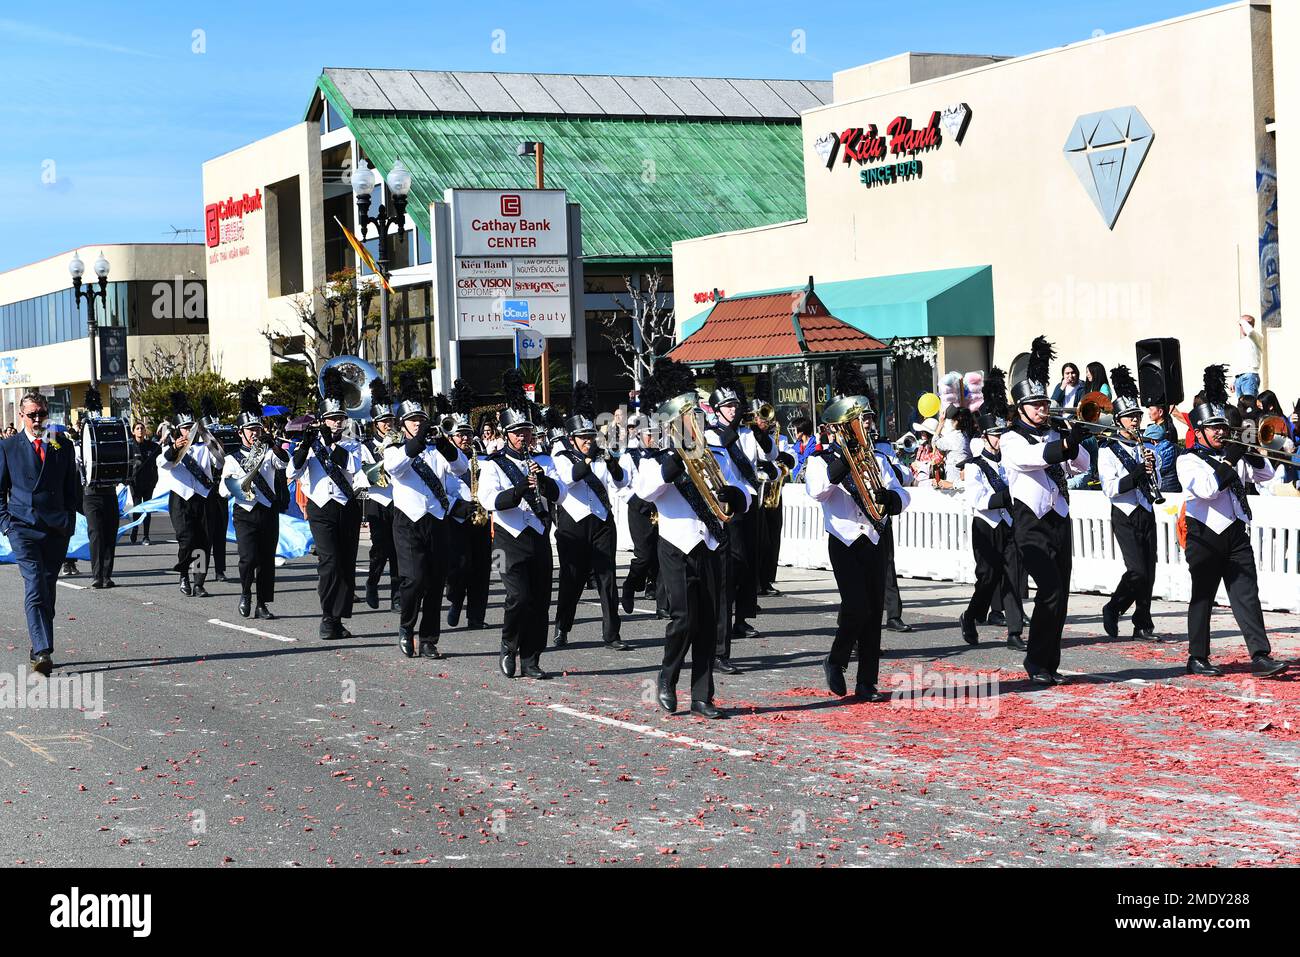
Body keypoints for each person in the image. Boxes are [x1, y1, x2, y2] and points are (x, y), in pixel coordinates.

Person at [633, 359, 748, 719]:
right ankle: (666, 678)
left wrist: (734, 495)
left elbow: (744, 489)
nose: (691, 420)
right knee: (683, 619)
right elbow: (645, 491)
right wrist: (673, 464)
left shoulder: (713, 449)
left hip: (712, 542)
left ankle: (703, 696)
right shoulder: (656, 456)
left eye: (693, 414)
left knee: (712, 621)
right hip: (677, 545)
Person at [806, 359, 910, 702]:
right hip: (845, 540)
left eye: (868, 418)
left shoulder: (879, 455)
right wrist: (844, 459)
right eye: (861, 419)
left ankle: (868, 681)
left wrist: (892, 499)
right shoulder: (822, 459)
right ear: (844, 425)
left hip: (877, 536)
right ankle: (835, 659)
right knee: (856, 607)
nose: (868, 423)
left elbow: (902, 489)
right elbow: (817, 490)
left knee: (874, 609)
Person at [1177, 364, 1287, 678]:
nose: (1221, 432)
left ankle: (1260, 655)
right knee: (1203, 597)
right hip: (1205, 535)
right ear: (1199, 432)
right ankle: (1197, 657)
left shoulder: (1231, 452)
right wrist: (1231, 458)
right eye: (1214, 428)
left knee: (1246, 594)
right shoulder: (1187, 460)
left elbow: (1265, 475)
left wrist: (1251, 453)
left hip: (1236, 532)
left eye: (1222, 427)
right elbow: (1209, 490)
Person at [1002, 336, 1091, 685]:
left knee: (1061, 595)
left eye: (1045, 403)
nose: (1043, 409)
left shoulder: (1054, 432)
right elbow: (1033, 460)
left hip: (1060, 521)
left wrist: (1076, 437)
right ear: (1021, 408)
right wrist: (1065, 443)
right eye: (1036, 404)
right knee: (1050, 590)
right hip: (1030, 524)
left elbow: (1081, 464)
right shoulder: (1012, 439)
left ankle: (1049, 663)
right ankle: (1035, 662)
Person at [477, 369, 564, 680]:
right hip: (508, 538)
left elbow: (561, 494)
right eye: (516, 432)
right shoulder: (493, 464)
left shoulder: (545, 461)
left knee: (540, 601)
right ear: (506, 434)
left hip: (539, 534)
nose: (523, 437)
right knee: (519, 597)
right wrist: (520, 490)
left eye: (527, 431)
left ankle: (531, 658)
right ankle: (508, 644)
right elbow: (488, 499)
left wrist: (543, 480)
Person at [384, 377, 470, 659]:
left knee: (435, 581)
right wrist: (417, 443)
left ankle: (429, 639)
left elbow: (461, 468)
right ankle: (406, 627)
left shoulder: (436, 451)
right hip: (408, 521)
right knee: (414, 579)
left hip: (437, 521)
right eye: (412, 419)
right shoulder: (394, 449)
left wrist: (445, 446)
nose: (418, 423)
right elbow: (395, 469)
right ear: (402, 424)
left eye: (421, 418)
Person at [0, 392, 80, 676]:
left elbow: (73, 486)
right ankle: (43, 650)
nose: (37, 420)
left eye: (42, 414)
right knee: (34, 582)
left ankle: (39, 645)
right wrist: (6, 524)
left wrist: (70, 520)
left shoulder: (61, 445)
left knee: (47, 587)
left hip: (56, 529)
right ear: (21, 415)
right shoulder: (8, 447)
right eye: (32, 414)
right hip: (23, 527)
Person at [287, 368, 368, 641]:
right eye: (332, 419)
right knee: (329, 562)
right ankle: (327, 617)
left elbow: (352, 467)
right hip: (321, 508)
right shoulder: (310, 444)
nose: (336, 423)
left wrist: (329, 445)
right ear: (322, 419)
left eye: (340, 418)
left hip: (347, 507)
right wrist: (304, 446)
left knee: (346, 564)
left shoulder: (352, 444)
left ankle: (337, 618)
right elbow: (292, 472)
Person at [552, 381, 633, 651]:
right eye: (583, 438)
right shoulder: (561, 454)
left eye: (590, 437)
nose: (588, 442)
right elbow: (569, 479)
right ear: (572, 438)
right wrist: (589, 459)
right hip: (572, 523)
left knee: (607, 577)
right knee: (572, 579)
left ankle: (612, 633)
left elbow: (621, 483)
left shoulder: (601, 456)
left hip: (601, 522)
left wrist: (611, 461)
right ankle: (562, 627)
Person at [705, 360, 768, 672]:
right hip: (719, 514)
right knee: (723, 579)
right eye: (727, 406)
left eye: (735, 405)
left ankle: (738, 621)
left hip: (746, 505)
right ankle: (717, 649)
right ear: (716, 409)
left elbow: (761, 459)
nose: (733, 410)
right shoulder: (708, 437)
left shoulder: (745, 433)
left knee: (743, 568)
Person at [958, 368, 1023, 648]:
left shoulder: (1009, 461)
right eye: (995, 434)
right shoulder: (974, 466)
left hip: (1008, 524)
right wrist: (1006, 496)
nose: (1000, 439)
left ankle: (1015, 632)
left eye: (1002, 433)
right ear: (984, 436)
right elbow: (977, 500)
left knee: (1013, 575)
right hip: (986, 526)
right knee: (987, 578)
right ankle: (971, 615)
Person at [1098, 365, 1164, 642]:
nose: (1136, 420)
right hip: (1124, 512)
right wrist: (1138, 472)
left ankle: (1142, 623)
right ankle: (1113, 607)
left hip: (1145, 508)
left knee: (1149, 570)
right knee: (1136, 570)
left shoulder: (1144, 445)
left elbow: (1156, 482)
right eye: (1130, 417)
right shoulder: (1107, 450)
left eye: (1137, 415)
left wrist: (1152, 467)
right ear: (1119, 421)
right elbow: (1111, 488)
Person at [222, 386, 288, 620]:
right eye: (250, 429)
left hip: (268, 511)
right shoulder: (231, 459)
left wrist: (275, 445)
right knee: (248, 558)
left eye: (257, 428)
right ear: (240, 432)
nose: (254, 433)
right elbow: (223, 489)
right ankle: (245, 592)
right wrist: (240, 487)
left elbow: (283, 464)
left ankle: (262, 603)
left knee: (266, 559)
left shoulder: (269, 452)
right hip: (245, 513)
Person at [155, 392, 216, 597]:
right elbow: (164, 463)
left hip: (203, 497)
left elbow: (219, 462)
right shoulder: (169, 447)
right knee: (187, 539)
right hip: (180, 499)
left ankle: (199, 582)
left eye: (191, 427)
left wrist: (214, 440)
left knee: (203, 542)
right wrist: (174, 447)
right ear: (177, 429)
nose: (188, 431)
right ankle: (183, 575)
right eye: (184, 427)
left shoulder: (205, 446)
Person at [445, 380, 492, 632]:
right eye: (460, 434)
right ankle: (455, 600)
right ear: (451, 436)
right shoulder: (442, 458)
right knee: (459, 567)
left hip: (480, 517)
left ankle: (475, 616)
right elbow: (438, 490)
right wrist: (457, 507)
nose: (465, 438)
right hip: (456, 517)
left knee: (481, 569)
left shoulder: (482, 456)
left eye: (468, 434)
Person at [619, 412, 668, 619]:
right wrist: (638, 502)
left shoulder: (664, 454)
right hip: (639, 510)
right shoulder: (628, 456)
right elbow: (620, 486)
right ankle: (631, 584)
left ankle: (662, 604)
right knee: (644, 555)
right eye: (649, 434)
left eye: (656, 434)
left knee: (663, 555)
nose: (653, 439)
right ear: (639, 435)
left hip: (661, 509)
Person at [361, 379, 400, 613]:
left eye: (390, 420)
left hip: (398, 500)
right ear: (375, 424)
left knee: (398, 550)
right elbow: (366, 473)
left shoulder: (399, 443)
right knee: (380, 550)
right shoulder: (365, 446)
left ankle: (397, 595)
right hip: (377, 501)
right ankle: (372, 582)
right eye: (384, 421)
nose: (388, 425)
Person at [749, 399, 795, 597]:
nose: (763, 420)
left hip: (774, 492)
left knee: (773, 538)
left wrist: (785, 459)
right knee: (759, 540)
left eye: (764, 416)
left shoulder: (780, 437)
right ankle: (755, 582)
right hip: (757, 491)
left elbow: (790, 460)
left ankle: (767, 579)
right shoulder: (748, 437)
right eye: (759, 415)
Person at [873, 422, 914, 633]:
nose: (866, 423)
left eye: (868, 418)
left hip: (881, 518)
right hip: (854, 525)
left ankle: (893, 614)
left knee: (888, 564)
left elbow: (906, 476)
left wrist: (891, 469)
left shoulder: (882, 450)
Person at [78, 389, 121, 589]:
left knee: (110, 533)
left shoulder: (109, 440)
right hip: (90, 494)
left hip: (110, 492)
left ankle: (107, 574)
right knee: (96, 533)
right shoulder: (78, 445)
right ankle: (97, 575)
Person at [200, 398, 231, 583]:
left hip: (219, 493)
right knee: (201, 538)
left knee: (220, 533)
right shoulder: (197, 447)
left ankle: (220, 570)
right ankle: (197, 575)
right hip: (201, 496)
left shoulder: (222, 444)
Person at [128, 420, 159, 545]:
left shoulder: (152, 446)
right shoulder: (130, 446)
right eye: (137, 428)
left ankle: (146, 536)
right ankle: (135, 529)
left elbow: (165, 454)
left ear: (145, 431)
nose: (140, 430)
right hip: (135, 482)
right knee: (137, 508)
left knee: (147, 509)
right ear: (133, 431)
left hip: (149, 482)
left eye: (142, 428)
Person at [1233, 314, 1262, 399]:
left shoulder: (1256, 337)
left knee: (1250, 406)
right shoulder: (1240, 343)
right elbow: (1238, 361)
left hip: (1249, 376)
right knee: (1241, 408)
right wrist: (1233, 380)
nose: (1244, 326)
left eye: (1247, 323)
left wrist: (1242, 321)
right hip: (1239, 378)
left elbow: (1250, 331)